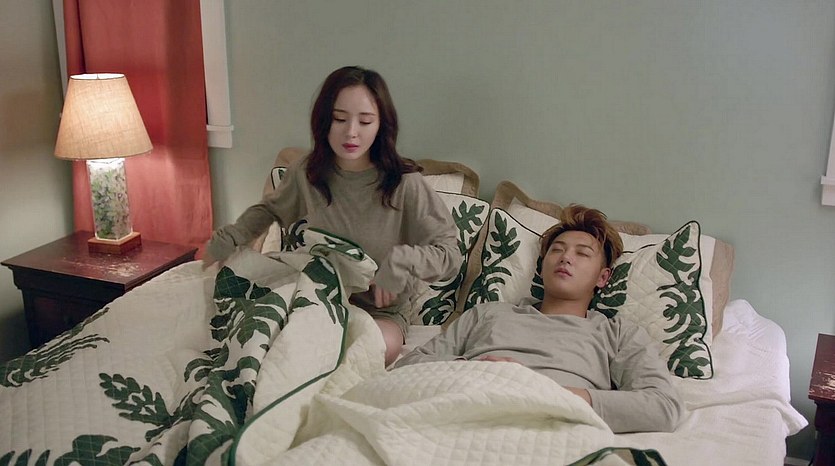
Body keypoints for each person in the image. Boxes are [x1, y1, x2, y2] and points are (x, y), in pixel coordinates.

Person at [205, 66, 462, 366]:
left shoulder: (405, 184)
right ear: (324, 120)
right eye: (340, 119)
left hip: (380, 314)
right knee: (254, 342)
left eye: (365, 121)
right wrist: (226, 240)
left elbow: (450, 255)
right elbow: (269, 210)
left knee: (365, 349)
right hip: (315, 298)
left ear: (381, 125)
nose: (351, 132)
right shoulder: (308, 172)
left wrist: (402, 261)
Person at [394, 205, 684, 434]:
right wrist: (473, 372)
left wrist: (547, 394)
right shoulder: (488, 313)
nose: (566, 258)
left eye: (582, 253)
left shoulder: (618, 333)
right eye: (557, 250)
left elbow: (663, 407)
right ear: (542, 267)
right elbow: (407, 368)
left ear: (603, 277)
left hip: (551, 426)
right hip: (464, 409)